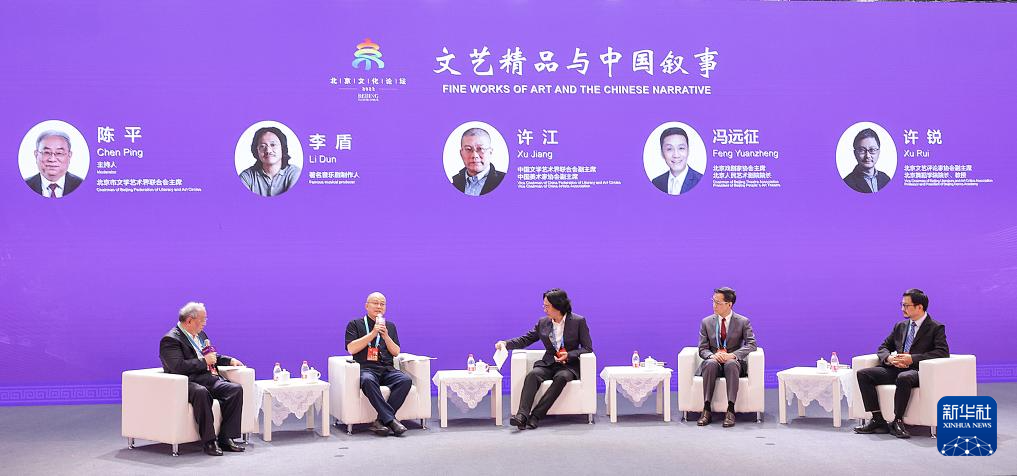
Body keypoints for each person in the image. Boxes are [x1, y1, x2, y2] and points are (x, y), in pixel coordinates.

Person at [854, 289, 949, 438]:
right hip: (896, 368)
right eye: (902, 305)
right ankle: (878, 420)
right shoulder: (900, 326)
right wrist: (889, 359)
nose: (902, 309)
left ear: (919, 307)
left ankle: (897, 421)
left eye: (906, 305)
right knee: (864, 374)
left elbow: (942, 352)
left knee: (904, 377)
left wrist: (912, 358)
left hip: (917, 371)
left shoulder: (935, 327)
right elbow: (883, 347)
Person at [495, 288, 593, 430]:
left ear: (558, 306)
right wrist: (506, 343)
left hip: (568, 365)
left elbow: (587, 348)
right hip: (548, 363)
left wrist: (569, 354)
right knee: (533, 375)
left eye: (547, 306)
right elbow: (526, 339)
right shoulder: (543, 322)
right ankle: (521, 416)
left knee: (561, 378)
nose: (544, 309)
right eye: (544, 305)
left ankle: (536, 416)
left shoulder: (578, 321)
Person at [159, 302, 246, 456]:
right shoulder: (170, 340)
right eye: (203, 319)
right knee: (201, 392)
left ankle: (226, 438)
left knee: (235, 390)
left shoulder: (201, 335)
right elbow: (177, 366)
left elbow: (211, 356)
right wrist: (204, 362)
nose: (205, 323)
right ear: (189, 320)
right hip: (186, 381)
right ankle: (209, 441)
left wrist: (229, 360)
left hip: (207, 378)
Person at [344, 292, 413, 436]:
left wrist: (386, 336)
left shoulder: (390, 326)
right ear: (366, 306)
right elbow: (351, 349)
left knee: (405, 380)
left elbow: (396, 352)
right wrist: (373, 334)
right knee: (368, 380)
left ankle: (381, 421)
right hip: (366, 368)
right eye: (375, 303)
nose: (379, 306)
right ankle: (391, 420)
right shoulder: (355, 324)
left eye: (382, 304)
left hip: (387, 369)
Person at [695, 287, 757, 428]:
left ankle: (730, 410)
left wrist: (733, 355)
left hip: (733, 362)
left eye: (718, 302)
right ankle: (706, 409)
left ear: (729, 304)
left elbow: (752, 344)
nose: (714, 305)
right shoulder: (706, 322)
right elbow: (702, 349)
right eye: (713, 301)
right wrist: (713, 355)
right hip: (713, 361)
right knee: (710, 363)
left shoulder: (743, 321)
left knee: (731, 364)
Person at [239, 126, 301, 196]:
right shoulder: (247, 177)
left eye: (273, 145)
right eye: (262, 146)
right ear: (256, 150)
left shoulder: (295, 174)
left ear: (282, 148)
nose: (268, 151)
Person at [25, 130, 83, 198]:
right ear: (36, 155)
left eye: (59, 153)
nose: (52, 159)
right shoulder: (25, 185)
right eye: (46, 152)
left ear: (69, 155)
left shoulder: (81, 185)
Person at [451, 127, 505, 196]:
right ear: (461, 153)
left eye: (480, 149)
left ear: (490, 152)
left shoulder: (505, 182)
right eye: (468, 149)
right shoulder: (454, 184)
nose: (474, 155)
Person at [651, 127, 702, 195]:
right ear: (662, 153)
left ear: (688, 151)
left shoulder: (701, 181)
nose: (676, 155)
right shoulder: (656, 183)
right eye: (669, 149)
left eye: (681, 148)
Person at [843, 128, 891, 193]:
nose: (867, 156)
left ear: (878, 152)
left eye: (872, 150)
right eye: (862, 150)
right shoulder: (847, 183)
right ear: (855, 153)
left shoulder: (886, 179)